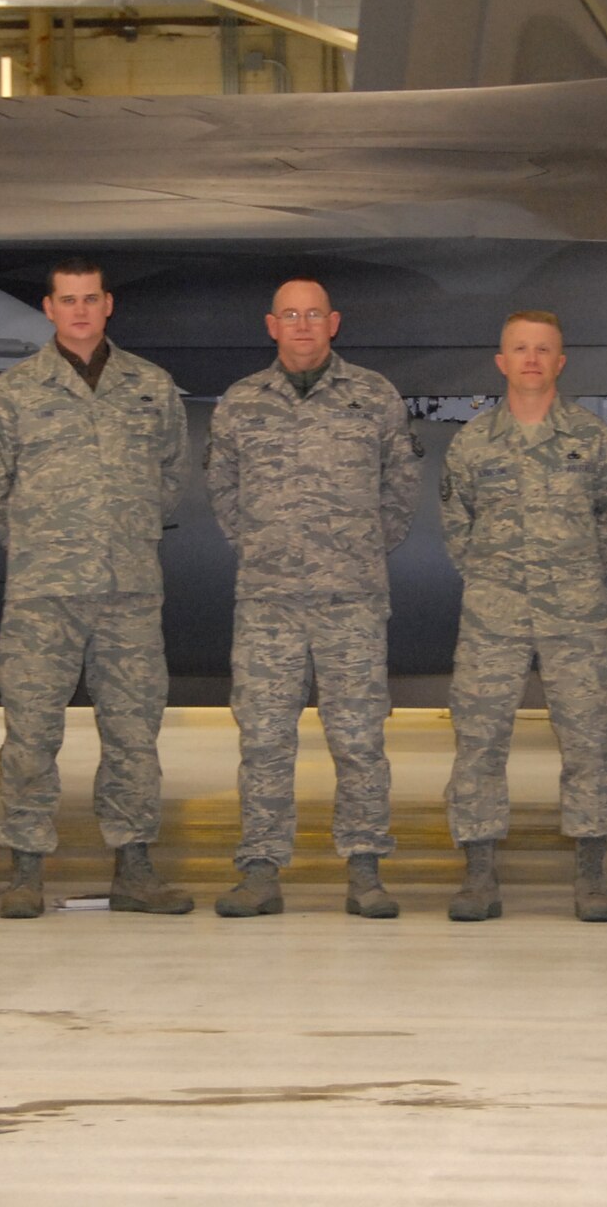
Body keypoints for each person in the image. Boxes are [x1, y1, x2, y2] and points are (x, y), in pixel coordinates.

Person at [0, 257, 193, 919]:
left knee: (133, 733)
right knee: (31, 733)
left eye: (91, 299)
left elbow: (171, 475)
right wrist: (40, 542)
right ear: (49, 308)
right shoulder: (13, 392)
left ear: (108, 304)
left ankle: (135, 868)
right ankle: (26, 869)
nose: (81, 311)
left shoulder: (150, 386)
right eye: (69, 300)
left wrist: (126, 530)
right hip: (44, 597)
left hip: (129, 594)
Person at [206, 277, 423, 918]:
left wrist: (353, 552)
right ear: (271, 326)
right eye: (289, 315)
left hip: (351, 600)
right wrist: (267, 549)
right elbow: (224, 493)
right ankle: (261, 870)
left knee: (358, 740)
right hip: (268, 602)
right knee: (265, 740)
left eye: (314, 314)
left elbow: (400, 492)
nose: (302, 325)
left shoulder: (374, 398)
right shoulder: (241, 403)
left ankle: (364, 870)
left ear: (335, 323)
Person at [439, 311, 607, 922]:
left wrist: (570, 579)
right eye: (519, 349)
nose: (530, 359)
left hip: (576, 618)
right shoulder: (472, 443)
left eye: (542, 350)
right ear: (501, 361)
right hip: (492, 618)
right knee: (478, 744)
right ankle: (478, 875)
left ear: (559, 361)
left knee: (590, 744)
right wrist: (499, 583)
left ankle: (592, 876)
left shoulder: (592, 439)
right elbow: (456, 529)